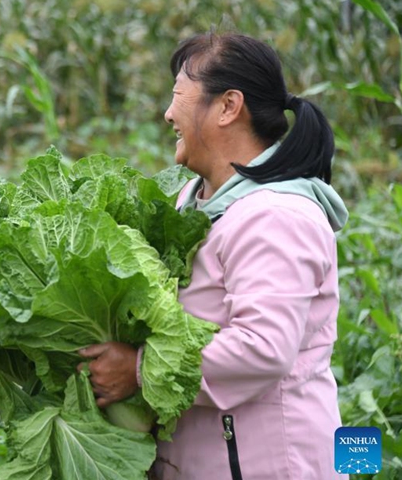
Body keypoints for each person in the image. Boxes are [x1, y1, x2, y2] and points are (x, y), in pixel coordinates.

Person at [78, 32, 349, 479]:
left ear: (228, 107)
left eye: (177, 97)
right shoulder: (194, 198)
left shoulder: (276, 216)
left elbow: (263, 348)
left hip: (268, 464)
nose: (167, 114)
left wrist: (141, 369)